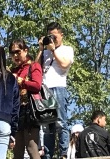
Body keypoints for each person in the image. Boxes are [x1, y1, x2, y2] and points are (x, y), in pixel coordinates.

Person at [40, 23, 73, 159]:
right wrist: (41, 49)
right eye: (50, 36)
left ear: (61, 35)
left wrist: (53, 50)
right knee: (47, 125)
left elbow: (65, 65)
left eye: (54, 36)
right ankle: (48, 155)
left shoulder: (67, 49)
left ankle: (63, 153)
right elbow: (35, 67)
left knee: (61, 122)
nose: (52, 39)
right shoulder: (45, 52)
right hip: (45, 88)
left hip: (59, 87)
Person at [9, 39, 44, 159]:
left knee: (31, 147)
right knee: (17, 150)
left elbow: (37, 85)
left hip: (30, 111)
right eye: (12, 53)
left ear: (25, 50)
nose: (15, 56)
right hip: (16, 111)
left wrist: (20, 81)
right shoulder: (13, 70)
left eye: (17, 52)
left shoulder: (34, 66)